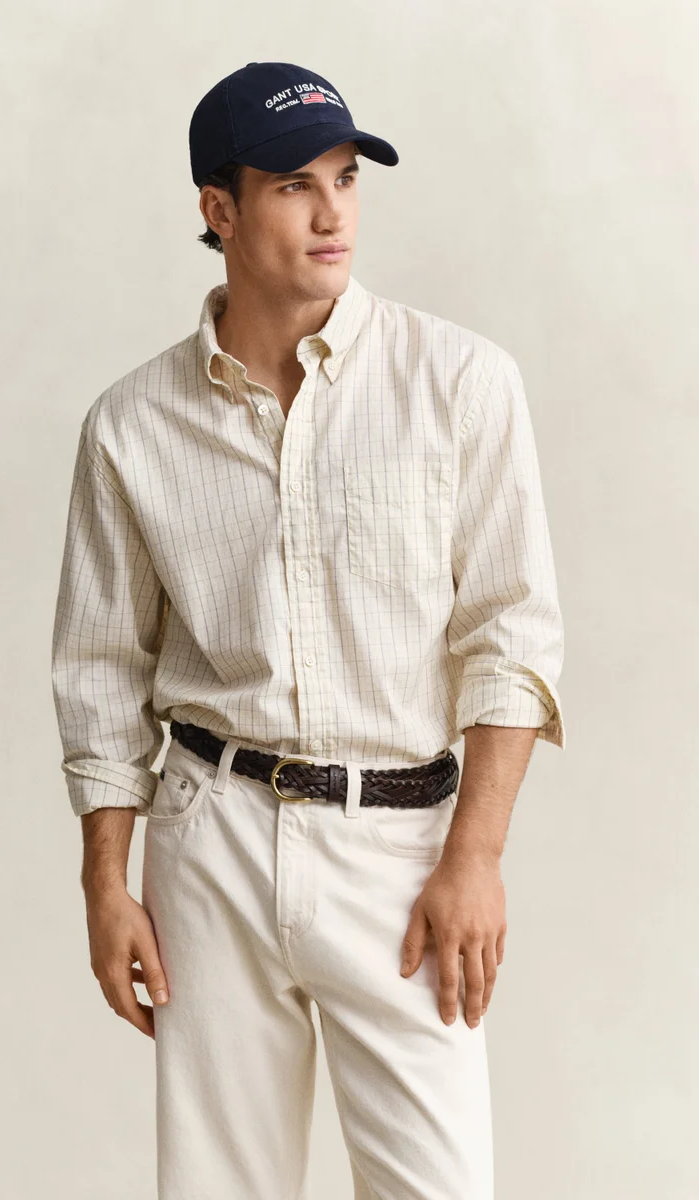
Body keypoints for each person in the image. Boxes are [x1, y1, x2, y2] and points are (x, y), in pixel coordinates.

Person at [50, 60, 565, 1200]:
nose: (333, 213)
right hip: (211, 841)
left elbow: (511, 635)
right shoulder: (132, 425)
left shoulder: (459, 383)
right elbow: (101, 670)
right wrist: (106, 882)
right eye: (293, 185)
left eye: (345, 177)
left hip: (402, 851)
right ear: (220, 209)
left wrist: (475, 857)